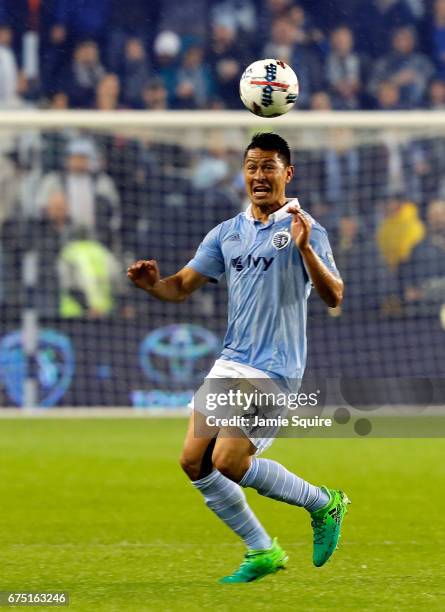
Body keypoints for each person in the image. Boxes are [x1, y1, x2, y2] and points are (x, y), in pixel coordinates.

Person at [127, 132, 350, 584]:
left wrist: (305, 249)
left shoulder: (305, 228)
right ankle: (262, 550)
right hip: (232, 363)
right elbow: (180, 287)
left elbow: (334, 295)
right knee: (193, 460)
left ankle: (323, 502)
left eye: (269, 166)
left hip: (275, 368)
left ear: (287, 174)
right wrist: (152, 283)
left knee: (229, 459)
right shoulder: (227, 233)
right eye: (252, 166)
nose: (259, 175)